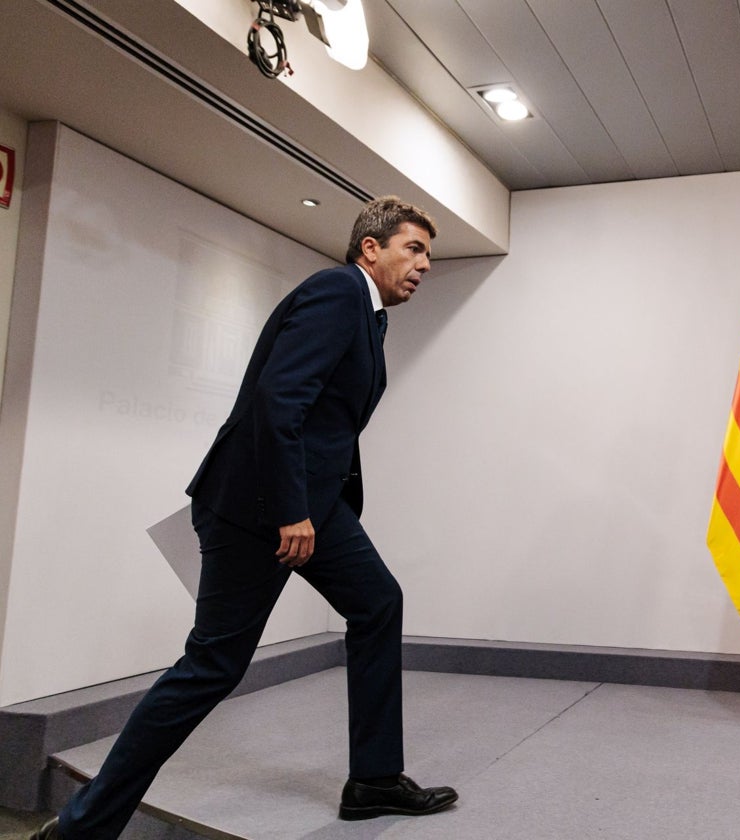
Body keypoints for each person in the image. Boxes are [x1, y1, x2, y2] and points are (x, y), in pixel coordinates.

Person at [31, 197, 457, 840]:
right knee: (211, 668)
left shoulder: (370, 318)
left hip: (313, 503)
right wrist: (292, 510)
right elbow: (278, 400)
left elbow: (326, 419)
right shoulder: (339, 292)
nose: (424, 264)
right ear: (371, 248)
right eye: (414, 248)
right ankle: (78, 829)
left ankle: (373, 779)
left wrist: (323, 503)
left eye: (429, 254)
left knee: (378, 603)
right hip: (258, 508)